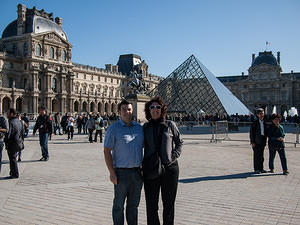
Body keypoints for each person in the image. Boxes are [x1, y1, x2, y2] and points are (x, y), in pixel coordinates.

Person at [142, 96, 183, 225]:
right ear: (149, 110)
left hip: (170, 169)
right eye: (152, 107)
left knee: (169, 204)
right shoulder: (145, 127)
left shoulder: (170, 124)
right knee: (151, 205)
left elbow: (179, 142)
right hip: (151, 168)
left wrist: (174, 156)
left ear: (162, 109)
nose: (155, 109)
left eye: (158, 107)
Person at [104, 100, 144, 225]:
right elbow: (106, 151)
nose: (127, 112)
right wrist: (112, 172)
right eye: (124, 109)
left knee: (133, 206)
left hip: (137, 173)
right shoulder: (113, 129)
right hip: (121, 173)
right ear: (119, 112)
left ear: (132, 111)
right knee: (118, 206)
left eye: (129, 109)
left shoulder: (139, 128)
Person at [5, 108, 24, 179]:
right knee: (14, 158)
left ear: (12, 114)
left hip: (12, 142)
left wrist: (6, 139)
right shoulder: (19, 121)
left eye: (8, 113)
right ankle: (12, 172)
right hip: (18, 141)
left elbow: (8, 134)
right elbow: (22, 131)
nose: (7, 114)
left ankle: (15, 174)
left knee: (12, 159)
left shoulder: (11, 122)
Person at [250, 108, 267, 174]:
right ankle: (256, 169)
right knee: (256, 156)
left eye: (262, 113)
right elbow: (251, 133)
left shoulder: (264, 122)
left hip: (262, 140)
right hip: (256, 141)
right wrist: (252, 142)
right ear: (257, 115)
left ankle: (261, 168)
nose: (262, 115)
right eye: (260, 114)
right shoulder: (254, 123)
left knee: (261, 156)